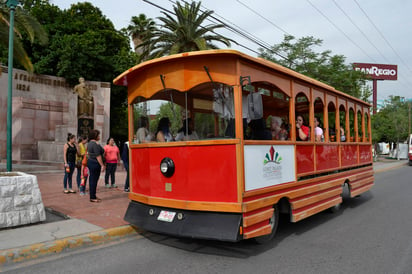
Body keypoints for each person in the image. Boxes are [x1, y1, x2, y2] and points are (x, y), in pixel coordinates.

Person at [87, 129, 105, 203]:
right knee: (94, 180)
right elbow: (98, 156)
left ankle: (93, 195)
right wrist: (102, 165)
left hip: (91, 162)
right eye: (98, 135)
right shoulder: (95, 144)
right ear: (95, 136)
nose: (99, 136)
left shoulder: (90, 143)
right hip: (95, 163)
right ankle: (92, 197)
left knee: (92, 180)